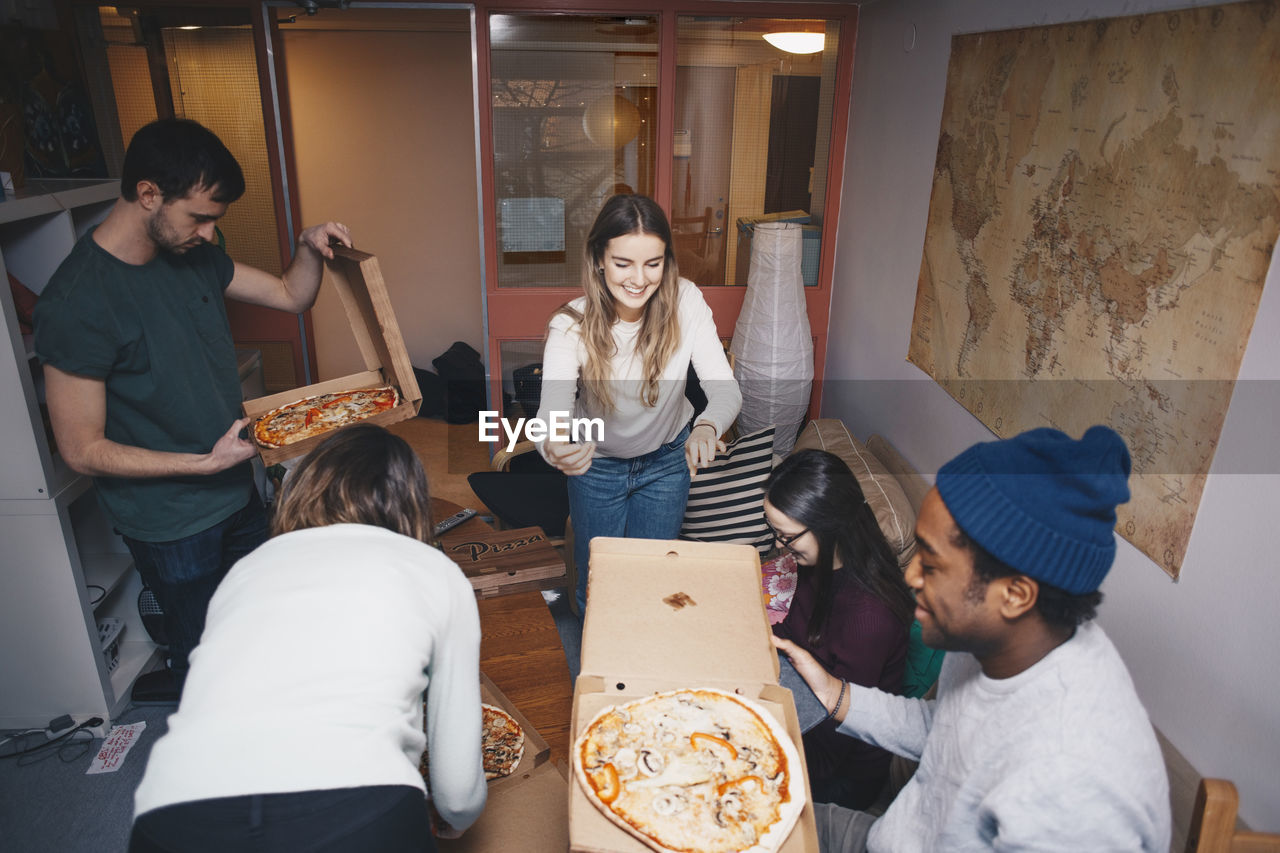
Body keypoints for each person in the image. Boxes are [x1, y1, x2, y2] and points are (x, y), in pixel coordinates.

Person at [33, 118, 352, 702]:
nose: (208, 234)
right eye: (199, 217)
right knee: (209, 659)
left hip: (238, 490)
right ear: (149, 193)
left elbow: (291, 295)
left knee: (255, 625)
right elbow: (81, 450)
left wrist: (309, 248)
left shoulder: (192, 257)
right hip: (171, 522)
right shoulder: (78, 302)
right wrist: (201, 465)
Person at [773, 426, 1171, 852]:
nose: (910, 575)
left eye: (932, 564)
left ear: (1015, 595)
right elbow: (946, 728)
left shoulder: (1070, 786)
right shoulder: (995, 642)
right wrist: (833, 690)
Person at [128, 424, 486, 852]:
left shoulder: (247, 569)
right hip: (358, 806)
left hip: (173, 812)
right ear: (410, 502)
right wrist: (456, 819)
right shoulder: (434, 570)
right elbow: (458, 789)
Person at [536, 194, 741, 614]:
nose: (639, 279)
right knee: (600, 584)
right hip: (598, 468)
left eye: (653, 263)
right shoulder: (569, 324)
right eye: (623, 263)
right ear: (599, 259)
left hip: (667, 463)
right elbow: (552, 414)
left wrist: (706, 428)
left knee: (652, 580)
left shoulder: (686, 302)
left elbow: (726, 390)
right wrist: (555, 444)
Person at [764, 449, 915, 810]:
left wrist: (766, 760)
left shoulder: (869, 617)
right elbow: (795, 629)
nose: (777, 546)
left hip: (840, 770)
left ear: (828, 524)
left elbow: (834, 748)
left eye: (785, 537)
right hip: (806, 695)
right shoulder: (821, 559)